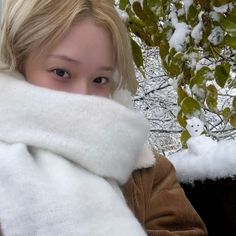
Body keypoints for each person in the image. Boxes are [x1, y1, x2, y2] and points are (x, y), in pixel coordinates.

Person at [0, 0, 208, 235]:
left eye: (99, 80)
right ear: (17, 64)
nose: (84, 96)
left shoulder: (145, 170)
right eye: (61, 72)